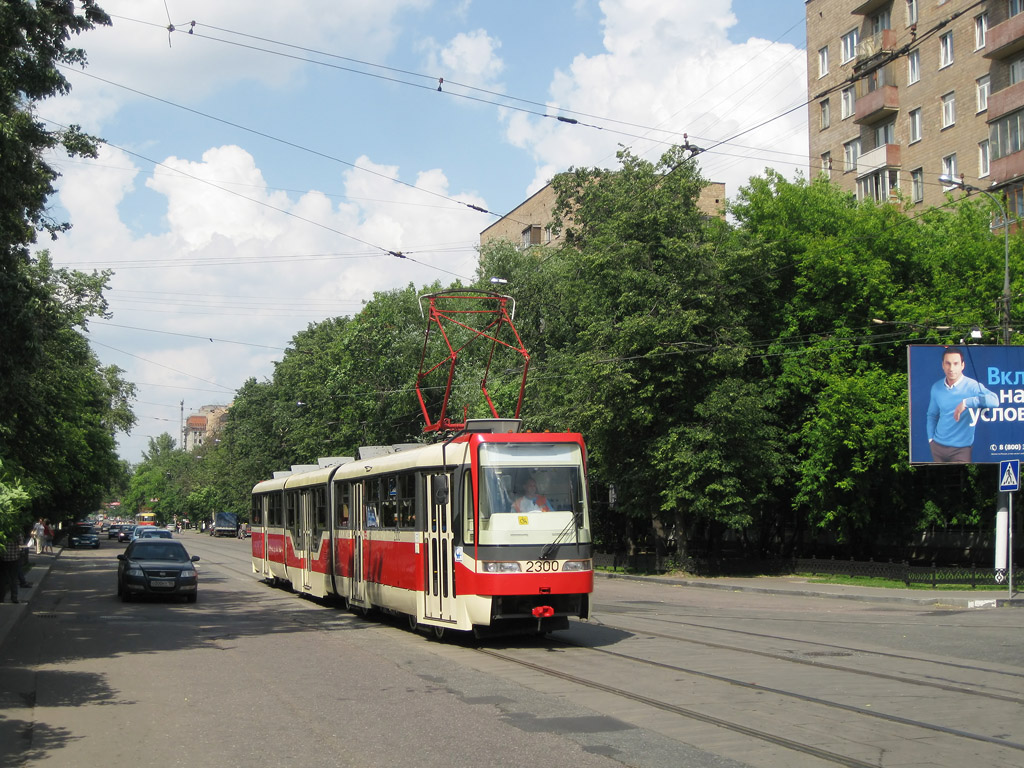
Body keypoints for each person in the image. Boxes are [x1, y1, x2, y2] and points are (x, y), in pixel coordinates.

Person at [926, 347, 999, 463]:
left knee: (962, 480)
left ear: (962, 365)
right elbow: (932, 415)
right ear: (943, 365)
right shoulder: (936, 387)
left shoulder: (972, 386)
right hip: (937, 447)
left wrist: (966, 402)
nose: (951, 368)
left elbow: (994, 401)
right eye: (948, 363)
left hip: (961, 450)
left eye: (956, 364)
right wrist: (931, 439)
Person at [1, 538, 23, 604]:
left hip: (3, 559)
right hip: (14, 559)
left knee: (2, 580)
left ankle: (1, 598)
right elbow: (21, 543)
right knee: (13, 579)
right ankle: (14, 598)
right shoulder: (16, 533)